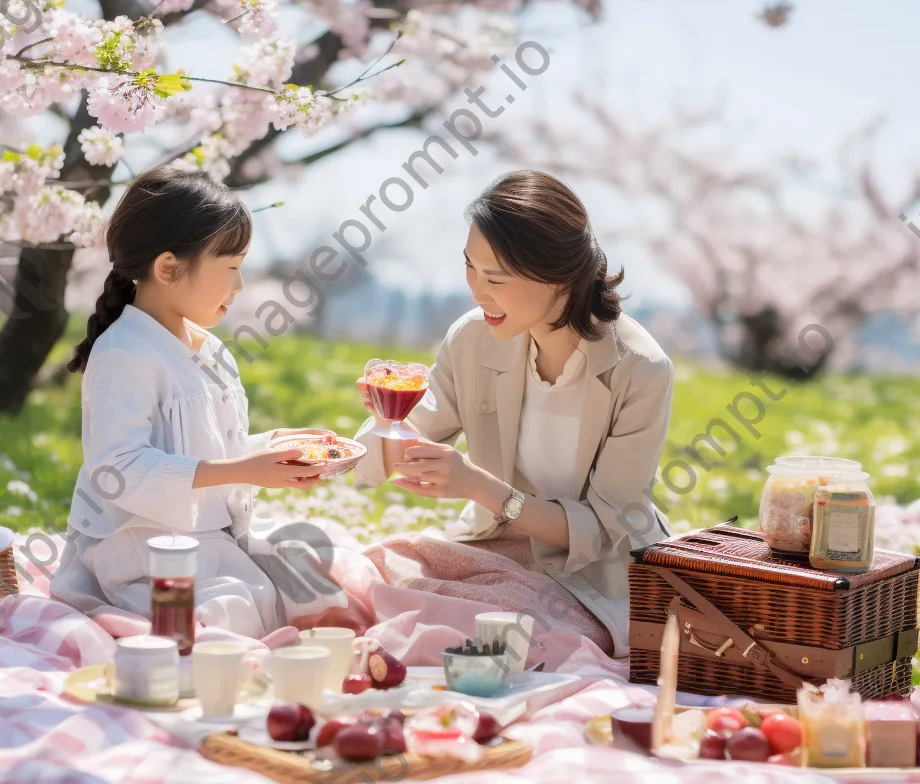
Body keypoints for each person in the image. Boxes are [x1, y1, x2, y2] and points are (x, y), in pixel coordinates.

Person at [353, 170, 673, 657]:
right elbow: (414, 436)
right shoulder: (473, 337)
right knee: (370, 571)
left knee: (497, 627)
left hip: (589, 572)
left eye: (496, 278)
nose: (478, 293)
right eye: (470, 269)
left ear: (558, 277)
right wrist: (388, 418)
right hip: (494, 546)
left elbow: (604, 527)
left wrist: (480, 487)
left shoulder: (640, 370)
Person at [49, 164, 340, 638]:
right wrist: (245, 468)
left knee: (312, 577)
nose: (240, 285)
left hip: (208, 533)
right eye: (230, 269)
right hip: (145, 550)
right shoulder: (124, 354)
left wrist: (270, 448)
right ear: (167, 267)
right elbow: (118, 470)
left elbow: (204, 445)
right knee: (231, 614)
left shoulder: (210, 348)